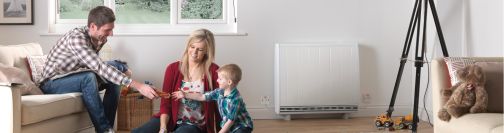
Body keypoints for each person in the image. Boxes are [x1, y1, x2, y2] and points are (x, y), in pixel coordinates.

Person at [39, 6, 159, 133]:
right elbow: (99, 67)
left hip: (74, 75)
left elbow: (97, 65)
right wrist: (138, 86)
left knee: (117, 67)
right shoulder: (76, 39)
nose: (111, 34)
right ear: (92, 26)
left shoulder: (99, 38)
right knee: (88, 78)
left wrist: (121, 68)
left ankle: (107, 128)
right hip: (51, 83)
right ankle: (104, 130)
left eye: (112, 29)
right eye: (107, 30)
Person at [132, 28, 221, 133]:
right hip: (171, 119)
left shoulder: (214, 71)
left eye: (200, 49)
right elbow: (165, 104)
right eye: (192, 47)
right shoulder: (172, 69)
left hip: (194, 125)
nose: (194, 52)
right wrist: (163, 128)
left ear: (207, 51)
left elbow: (220, 105)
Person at [173, 64, 253, 133]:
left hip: (242, 126)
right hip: (229, 126)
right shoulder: (219, 92)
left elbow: (230, 121)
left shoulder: (235, 99)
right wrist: (185, 94)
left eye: (220, 79)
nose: (217, 80)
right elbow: (202, 96)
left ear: (229, 82)